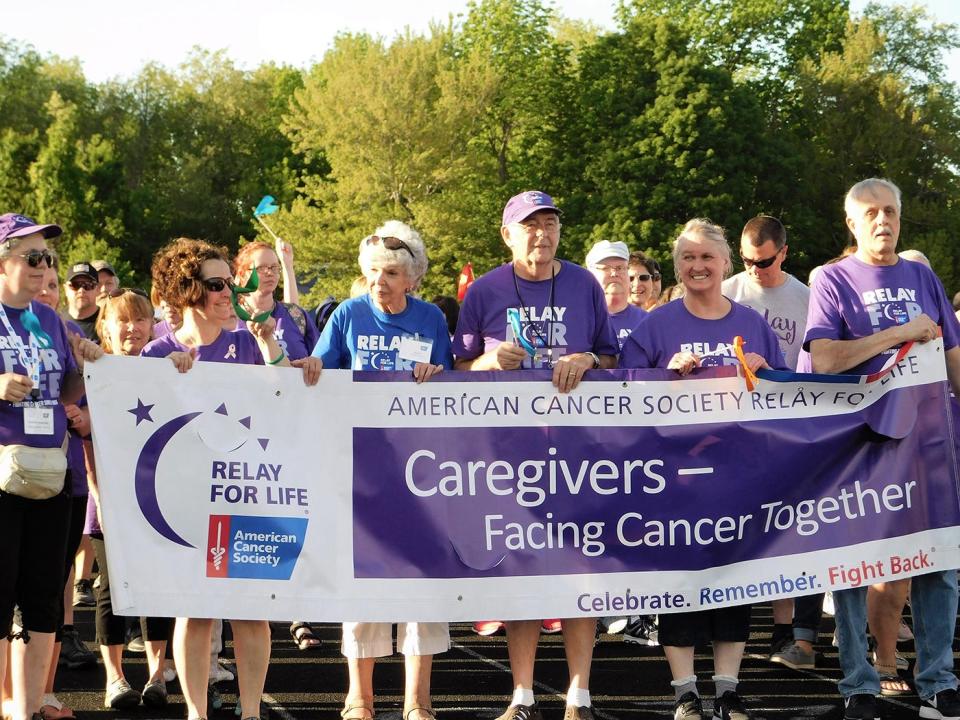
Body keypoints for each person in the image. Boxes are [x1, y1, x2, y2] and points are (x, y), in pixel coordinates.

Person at [452, 190, 618, 720]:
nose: (542, 234)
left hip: (578, 450)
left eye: (549, 223)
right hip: (510, 453)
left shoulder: (584, 283)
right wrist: (486, 361)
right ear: (508, 234)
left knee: (578, 569)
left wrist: (586, 357)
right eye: (530, 225)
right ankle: (521, 695)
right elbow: (456, 372)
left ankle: (579, 695)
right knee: (520, 567)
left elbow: (612, 356)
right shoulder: (483, 290)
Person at [139, 238, 319, 720]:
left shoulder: (249, 341)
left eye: (230, 283)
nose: (229, 292)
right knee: (195, 611)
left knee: (250, 611)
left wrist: (271, 345)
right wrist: (163, 376)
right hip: (187, 505)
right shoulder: (158, 350)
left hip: (248, 497)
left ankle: (252, 712)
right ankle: (197, 712)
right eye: (217, 284)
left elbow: (289, 396)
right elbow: (129, 419)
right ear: (186, 291)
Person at [803, 178, 960, 720]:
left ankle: (938, 680)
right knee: (851, 569)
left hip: (928, 444)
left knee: (938, 564)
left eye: (890, 211)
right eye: (870, 213)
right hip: (858, 448)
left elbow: (953, 354)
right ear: (852, 223)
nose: (882, 221)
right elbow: (823, 359)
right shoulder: (830, 278)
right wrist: (899, 333)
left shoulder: (922, 274)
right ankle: (858, 683)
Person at [620, 218, 787, 720]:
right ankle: (686, 692)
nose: (698, 266)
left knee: (734, 582)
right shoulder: (657, 324)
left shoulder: (753, 324)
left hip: (737, 478)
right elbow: (622, 391)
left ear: (725, 265)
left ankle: (728, 689)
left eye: (707, 258)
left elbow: (786, 400)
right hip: (673, 478)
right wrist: (664, 374)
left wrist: (767, 370)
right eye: (688, 258)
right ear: (677, 267)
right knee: (680, 584)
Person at [312, 221, 451, 720]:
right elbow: (319, 371)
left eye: (391, 272)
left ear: (411, 278)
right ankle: (359, 698)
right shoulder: (347, 315)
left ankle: (418, 700)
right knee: (364, 582)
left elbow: (449, 383)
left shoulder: (432, 318)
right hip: (360, 470)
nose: (380, 281)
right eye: (373, 272)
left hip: (420, 472)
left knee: (422, 583)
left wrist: (436, 373)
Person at [0, 213, 102, 720]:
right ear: (3, 262)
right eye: (33, 257)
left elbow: (63, 395)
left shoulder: (52, 323)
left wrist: (83, 370)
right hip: (0, 475)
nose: (45, 267)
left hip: (48, 474)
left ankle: (27, 705)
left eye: (49, 258)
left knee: (42, 600)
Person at [720, 215, 815, 666]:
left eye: (763, 261)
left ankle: (784, 627)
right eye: (745, 260)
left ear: (784, 253)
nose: (753, 269)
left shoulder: (806, 299)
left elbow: (814, 368)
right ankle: (718, 616)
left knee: (783, 527)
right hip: (729, 428)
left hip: (784, 425)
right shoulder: (729, 291)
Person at [88, 289, 173, 709]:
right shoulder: (95, 371)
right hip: (107, 496)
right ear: (105, 326)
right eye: (122, 319)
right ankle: (115, 679)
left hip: (157, 497)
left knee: (156, 585)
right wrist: (99, 494)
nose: (132, 327)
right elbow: (88, 440)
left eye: (141, 319)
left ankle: (158, 676)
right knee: (110, 590)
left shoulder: (165, 368)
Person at [585, 241, 645, 349]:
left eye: (620, 268)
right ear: (590, 274)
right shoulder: (578, 319)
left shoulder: (646, 321)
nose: (614, 273)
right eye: (605, 268)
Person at [63, 262, 100, 341]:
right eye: (75, 285)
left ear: (97, 289)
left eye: (88, 285)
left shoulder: (108, 322)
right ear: (65, 289)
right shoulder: (56, 321)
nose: (81, 290)